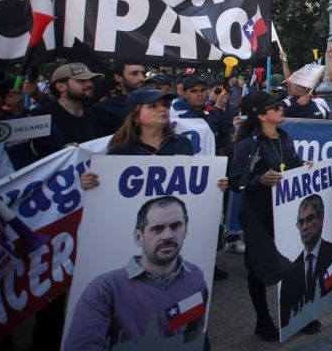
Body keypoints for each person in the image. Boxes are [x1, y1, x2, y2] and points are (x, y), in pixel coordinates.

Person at [63, 196, 208, 350]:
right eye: (157, 228)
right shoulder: (105, 289)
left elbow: (192, 334)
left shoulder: (194, 277)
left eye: (175, 226)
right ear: (138, 237)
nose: (168, 236)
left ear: (186, 230)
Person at [231, 90, 306, 340]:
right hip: (258, 214)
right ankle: (263, 320)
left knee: (293, 259)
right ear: (262, 115)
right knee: (258, 268)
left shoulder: (284, 138)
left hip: (285, 211)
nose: (282, 108)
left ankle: (298, 313)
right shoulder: (247, 145)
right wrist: (259, 180)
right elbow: (235, 182)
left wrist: (304, 166)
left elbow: (291, 164)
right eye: (275, 106)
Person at [278, 194, 332, 331]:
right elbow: (286, 318)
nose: (305, 227)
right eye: (301, 222)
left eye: (310, 219)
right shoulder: (289, 273)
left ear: (321, 219)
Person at [34, 63, 102, 145]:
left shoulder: (94, 115)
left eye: (91, 80)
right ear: (61, 87)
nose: (90, 84)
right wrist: (60, 151)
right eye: (81, 80)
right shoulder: (42, 116)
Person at [91, 61, 147, 137]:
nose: (142, 78)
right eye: (134, 74)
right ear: (118, 78)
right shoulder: (103, 109)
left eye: (143, 74)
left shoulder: (154, 103)